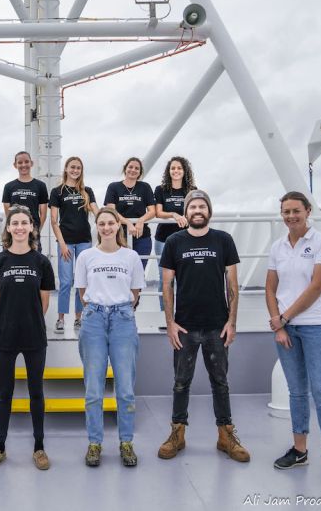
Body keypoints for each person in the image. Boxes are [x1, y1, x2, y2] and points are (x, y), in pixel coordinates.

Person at [266, 191, 321, 493]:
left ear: (308, 211)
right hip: (286, 331)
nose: (290, 216)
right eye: (285, 211)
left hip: (316, 328)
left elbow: (317, 286)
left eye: (295, 211)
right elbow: (270, 287)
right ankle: (300, 451)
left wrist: (284, 318)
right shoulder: (277, 247)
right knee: (297, 393)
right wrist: (278, 324)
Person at [157, 190, 250, 463]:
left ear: (208, 211)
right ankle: (177, 434)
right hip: (184, 327)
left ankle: (226, 436)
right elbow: (166, 286)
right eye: (192, 206)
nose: (197, 210)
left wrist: (232, 322)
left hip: (216, 326)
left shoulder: (223, 240)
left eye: (202, 206)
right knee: (180, 383)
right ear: (186, 212)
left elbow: (232, 285)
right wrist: (170, 323)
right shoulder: (174, 241)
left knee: (220, 382)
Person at [0, 206, 55, 471]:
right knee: (5, 394)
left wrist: (28, 320)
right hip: (5, 337)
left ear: (32, 228)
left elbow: (44, 303)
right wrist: (11, 321)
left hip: (34, 336)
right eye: (15, 223)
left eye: (25, 222)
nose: (20, 227)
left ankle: (39, 447)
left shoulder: (42, 263)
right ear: (9, 228)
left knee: (36, 392)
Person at [74, 207, 145, 467]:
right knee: (93, 389)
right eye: (101, 223)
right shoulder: (86, 256)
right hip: (93, 319)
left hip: (123, 320)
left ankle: (126, 442)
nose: (106, 228)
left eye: (110, 223)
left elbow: (135, 291)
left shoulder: (131, 256)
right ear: (97, 227)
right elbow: (83, 291)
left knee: (125, 388)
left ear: (118, 226)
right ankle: (95, 443)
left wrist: (119, 308)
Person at [49, 156, 98, 332]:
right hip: (66, 242)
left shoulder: (87, 191)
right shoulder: (57, 192)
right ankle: (61, 318)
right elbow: (54, 221)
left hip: (85, 241)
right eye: (72, 167)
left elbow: (97, 212)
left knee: (82, 281)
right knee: (65, 281)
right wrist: (61, 244)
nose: (75, 170)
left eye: (78, 168)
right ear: (66, 168)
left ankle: (79, 318)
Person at [153, 156, 196, 313]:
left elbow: (195, 210)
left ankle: (184, 313)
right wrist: (174, 215)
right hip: (163, 239)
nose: (176, 171)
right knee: (164, 277)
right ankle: (166, 313)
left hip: (186, 238)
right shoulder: (161, 189)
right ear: (168, 171)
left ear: (184, 171)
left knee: (185, 276)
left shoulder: (191, 190)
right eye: (173, 168)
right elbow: (158, 212)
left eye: (179, 168)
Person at [103, 157, 155, 269]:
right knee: (121, 271)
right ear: (125, 169)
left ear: (140, 172)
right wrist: (128, 223)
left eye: (137, 168)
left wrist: (141, 221)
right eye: (130, 167)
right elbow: (111, 210)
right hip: (119, 236)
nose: (133, 170)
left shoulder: (145, 187)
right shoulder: (114, 187)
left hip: (142, 236)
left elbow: (152, 211)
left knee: (139, 271)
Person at [2, 151, 49, 251]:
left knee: (34, 263)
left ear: (31, 163)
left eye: (26, 162)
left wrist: (35, 230)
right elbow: (8, 213)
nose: (23, 165)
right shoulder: (9, 187)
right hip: (14, 233)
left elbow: (43, 214)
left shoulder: (40, 186)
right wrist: (14, 228)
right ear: (15, 165)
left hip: (33, 234)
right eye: (20, 162)